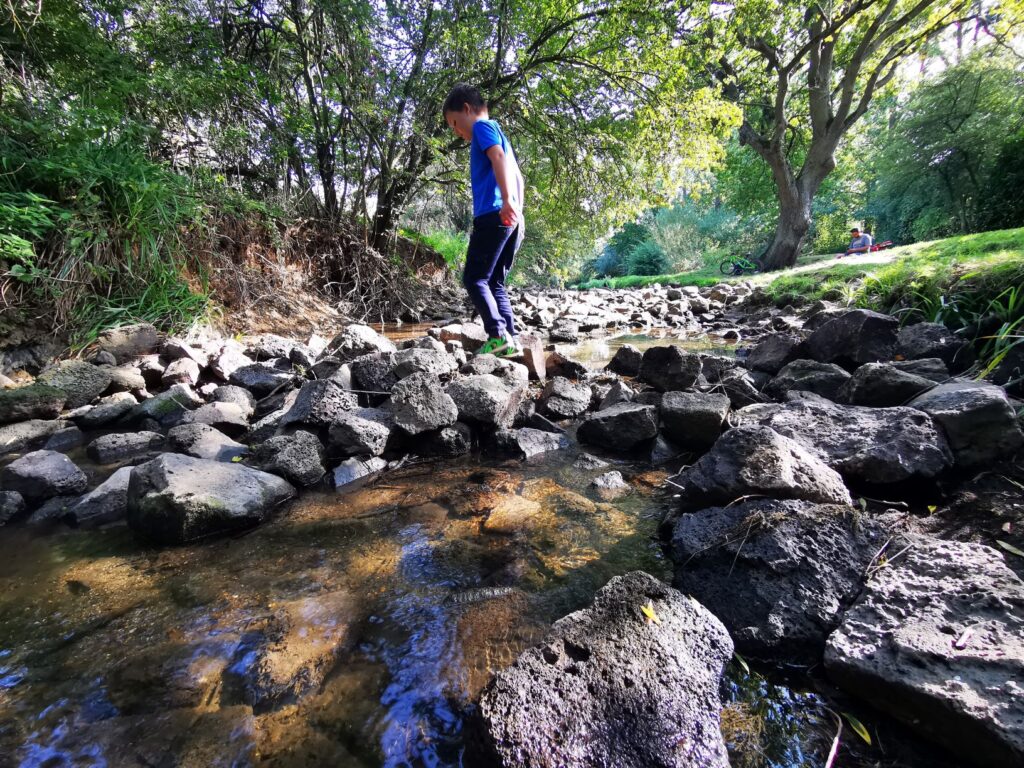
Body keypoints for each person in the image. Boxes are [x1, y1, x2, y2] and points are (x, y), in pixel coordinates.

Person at [443, 83, 525, 357]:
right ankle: (510, 339)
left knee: (475, 278)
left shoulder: (482, 127)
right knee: (494, 283)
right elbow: (517, 176)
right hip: (511, 219)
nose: (456, 131)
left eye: (454, 123)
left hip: (494, 214)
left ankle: (498, 335)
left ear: (467, 109)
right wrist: (515, 208)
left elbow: (497, 157)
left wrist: (506, 201)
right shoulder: (499, 134)